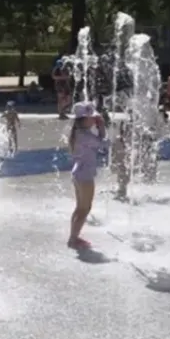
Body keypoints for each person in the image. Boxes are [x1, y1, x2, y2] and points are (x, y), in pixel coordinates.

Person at [67, 101, 106, 249]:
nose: (95, 119)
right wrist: (101, 127)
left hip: (79, 173)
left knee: (79, 207)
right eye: (92, 117)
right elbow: (104, 144)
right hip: (85, 175)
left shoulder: (79, 133)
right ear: (83, 120)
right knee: (85, 208)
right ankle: (73, 239)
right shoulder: (86, 136)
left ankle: (73, 236)